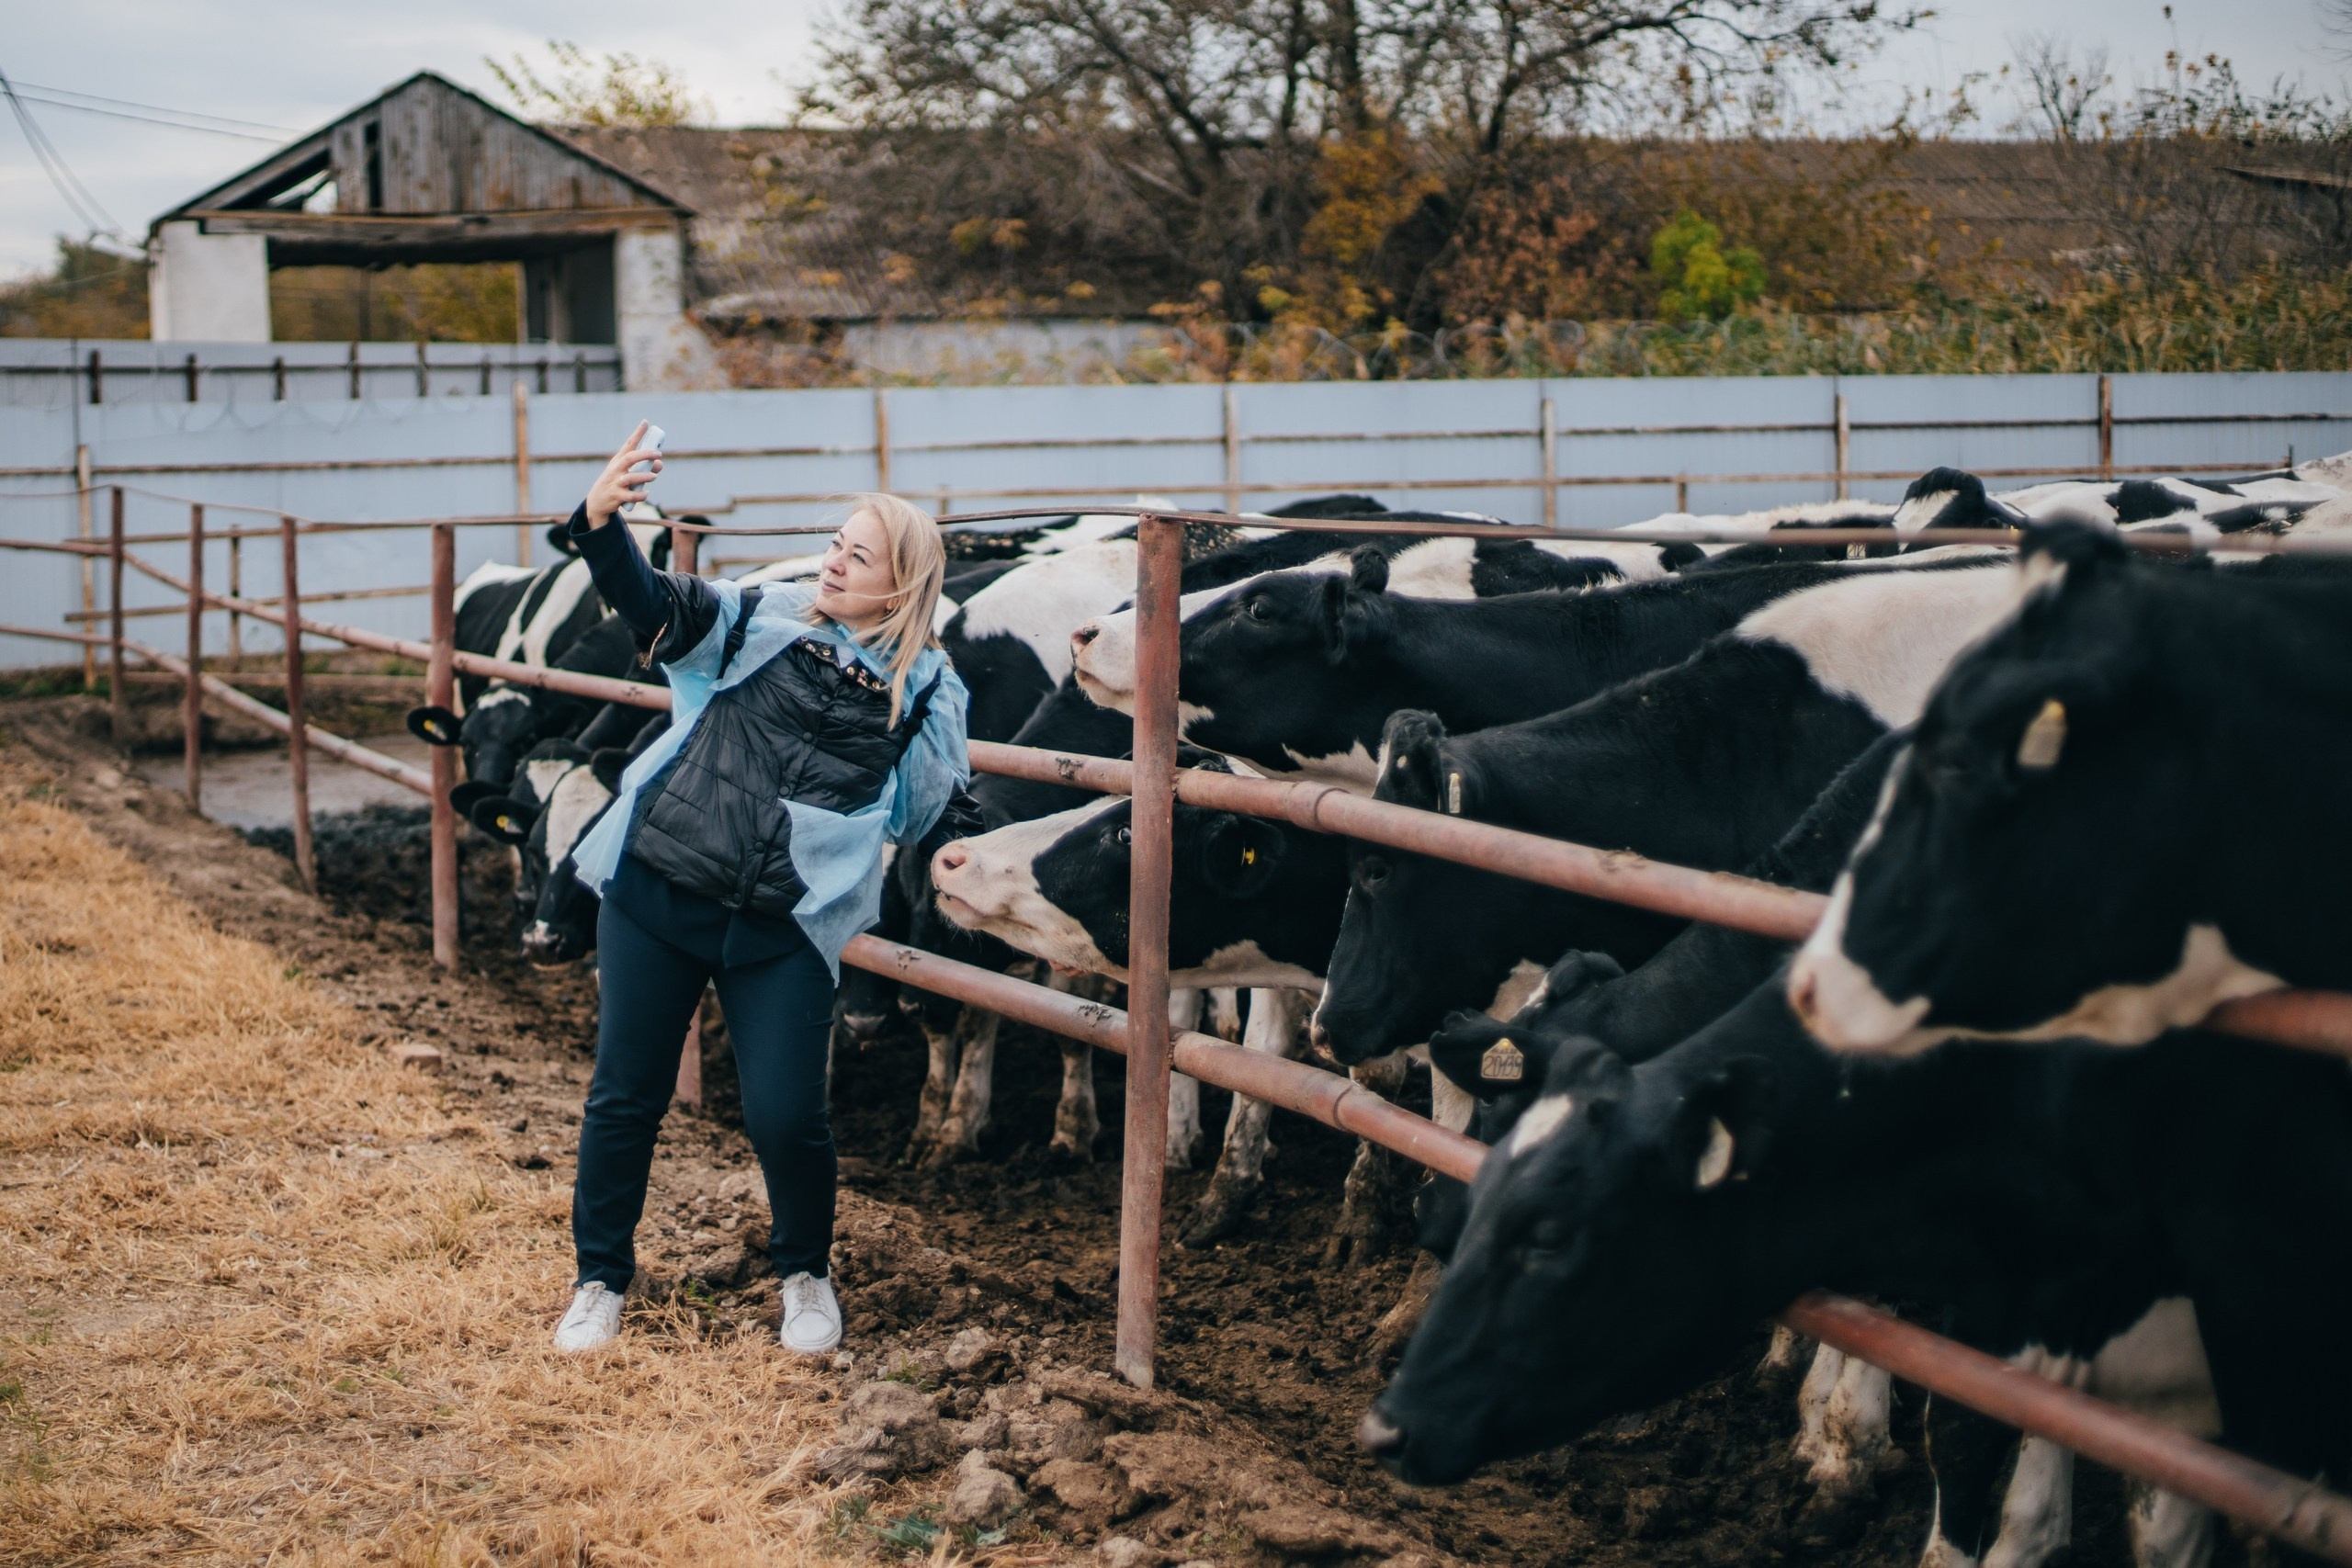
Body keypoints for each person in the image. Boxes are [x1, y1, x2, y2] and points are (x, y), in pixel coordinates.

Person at [552, 423, 979, 1356]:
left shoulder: (928, 694)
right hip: (660, 886)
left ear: (899, 583)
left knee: (787, 1113)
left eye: (855, 554)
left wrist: (949, 849)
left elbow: (925, 814)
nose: (832, 563)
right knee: (626, 1093)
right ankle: (599, 1282)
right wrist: (599, 523)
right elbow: (649, 602)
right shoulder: (753, 617)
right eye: (834, 544)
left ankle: (805, 1276)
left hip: (784, 925)